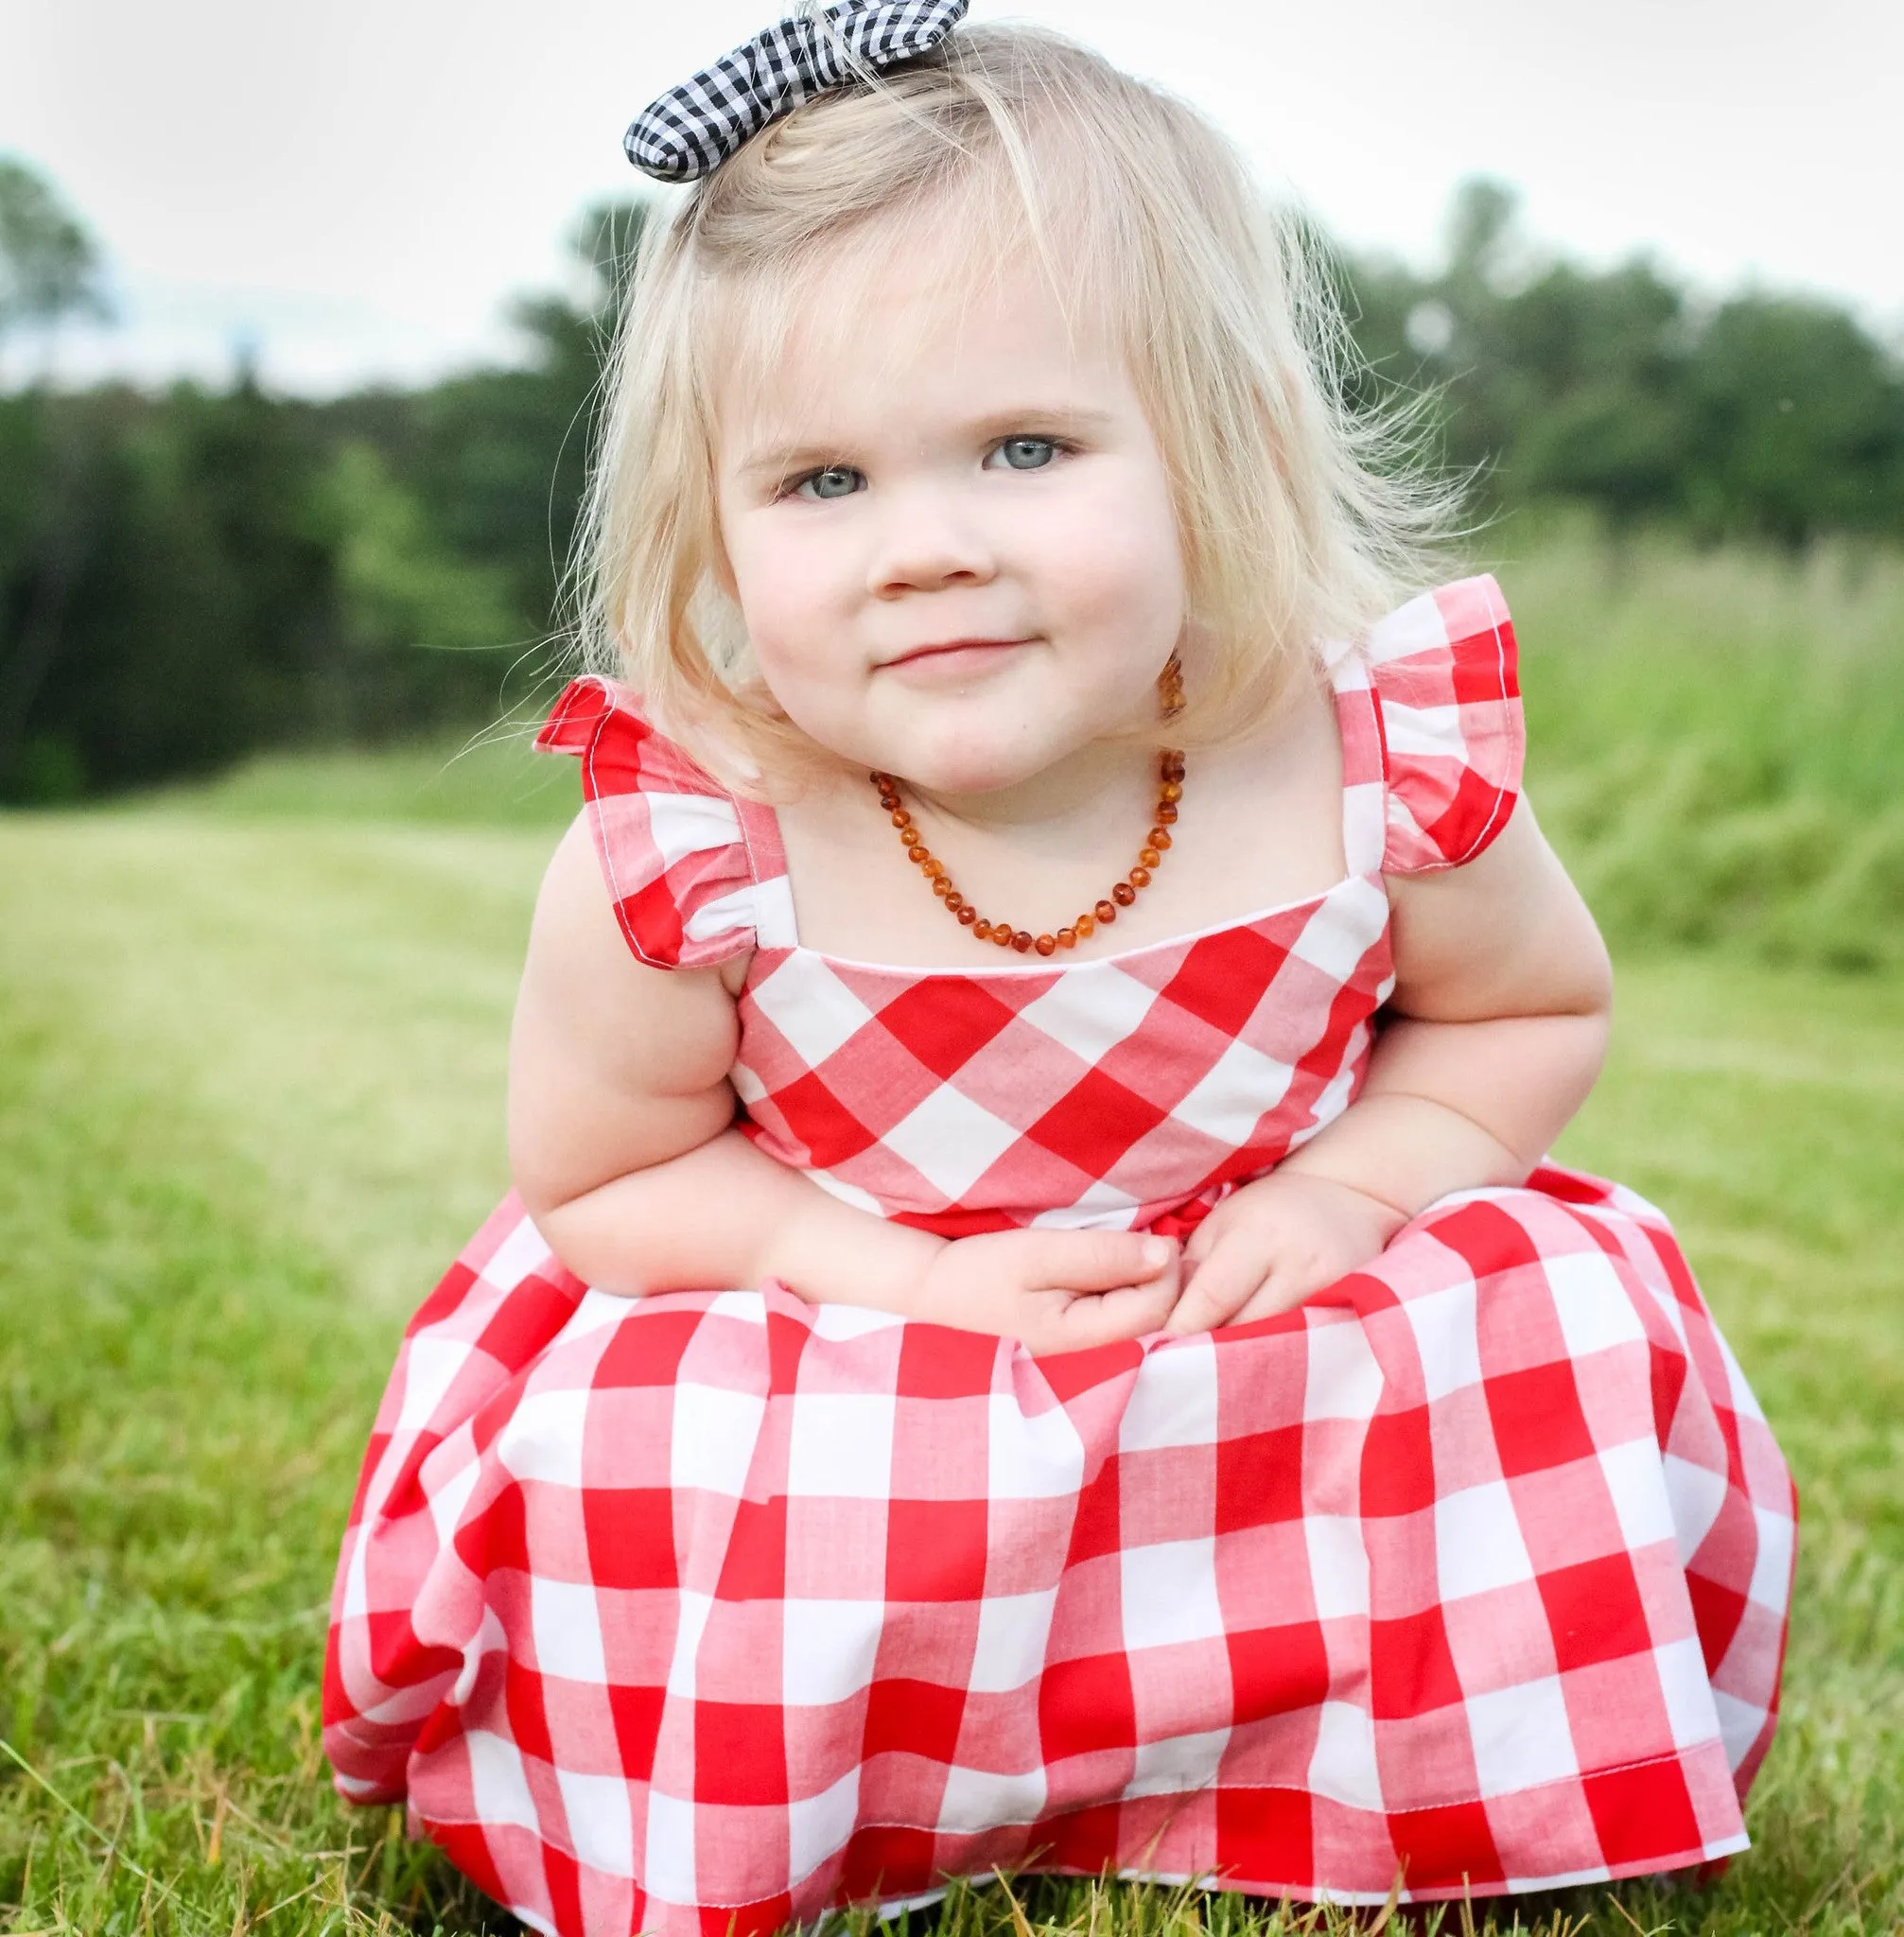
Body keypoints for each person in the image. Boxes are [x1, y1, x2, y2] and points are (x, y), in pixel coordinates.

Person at [323, 9, 1794, 1932]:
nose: (925, 548)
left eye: (1022, 447)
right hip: (858, 1324)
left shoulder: (1357, 760)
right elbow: (610, 1183)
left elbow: (1524, 1006)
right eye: (822, 483)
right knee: (658, 1427)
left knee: (1548, 1299)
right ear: (710, 525)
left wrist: (1352, 1185)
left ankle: (1351, 1773)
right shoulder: (698, 848)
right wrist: (914, 1280)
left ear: (1215, 449)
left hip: (1240, 1316)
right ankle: (845, 1809)